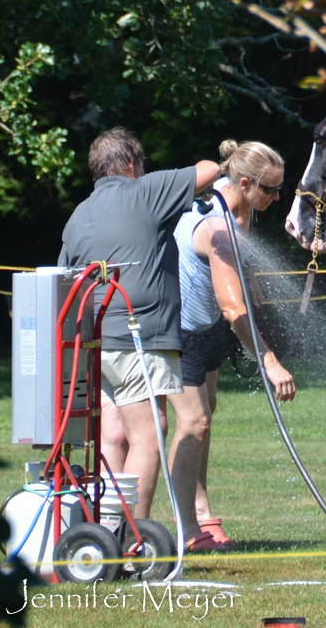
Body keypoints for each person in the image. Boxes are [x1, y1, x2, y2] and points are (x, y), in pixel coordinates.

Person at [57, 127, 221, 543]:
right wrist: (228, 157)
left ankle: (103, 532)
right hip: (139, 339)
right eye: (142, 163)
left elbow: (64, 280)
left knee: (113, 435)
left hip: (92, 346)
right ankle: (132, 539)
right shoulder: (144, 191)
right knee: (150, 432)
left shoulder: (78, 215)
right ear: (132, 164)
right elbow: (207, 171)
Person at [168, 139, 297, 549]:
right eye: (271, 190)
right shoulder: (216, 225)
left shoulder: (240, 211)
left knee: (208, 415)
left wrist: (264, 311)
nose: (278, 198)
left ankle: (201, 512)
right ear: (244, 182)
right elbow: (230, 304)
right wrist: (269, 362)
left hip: (205, 328)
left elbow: (242, 275)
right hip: (178, 330)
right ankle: (187, 529)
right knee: (194, 422)